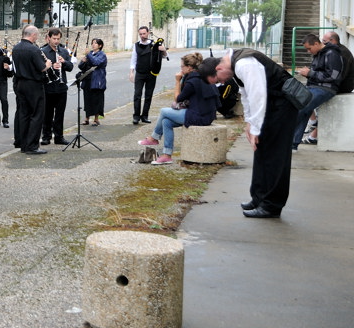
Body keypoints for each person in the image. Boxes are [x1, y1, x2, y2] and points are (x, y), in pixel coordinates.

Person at [214, 49, 299, 218]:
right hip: (272, 105)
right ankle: (259, 197)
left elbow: (258, 96)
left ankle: (271, 205)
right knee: (261, 150)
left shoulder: (244, 64)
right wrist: (249, 122)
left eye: (218, 80)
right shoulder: (236, 65)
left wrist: (256, 128)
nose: (221, 83)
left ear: (219, 68)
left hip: (283, 105)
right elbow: (246, 95)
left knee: (276, 155)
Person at [138, 54, 219, 164]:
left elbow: (178, 99)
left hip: (198, 116)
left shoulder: (193, 81)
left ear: (189, 67)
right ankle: (167, 155)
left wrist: (177, 81)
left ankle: (154, 138)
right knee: (166, 122)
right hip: (205, 115)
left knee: (163, 112)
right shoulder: (200, 76)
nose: (180, 69)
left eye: (182, 67)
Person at [292, 33, 344, 150]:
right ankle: (292, 144)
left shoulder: (332, 54)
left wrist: (310, 73)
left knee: (302, 106)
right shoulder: (318, 54)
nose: (308, 52)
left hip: (326, 88)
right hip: (314, 87)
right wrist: (308, 74)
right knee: (299, 105)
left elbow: (333, 76)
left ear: (316, 43)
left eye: (309, 49)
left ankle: (285, 137)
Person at [12, 25, 52, 154]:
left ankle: (24, 144)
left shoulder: (16, 48)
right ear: (33, 35)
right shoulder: (34, 49)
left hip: (20, 83)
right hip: (33, 84)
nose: (37, 37)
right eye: (37, 35)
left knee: (24, 114)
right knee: (36, 115)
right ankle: (32, 145)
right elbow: (41, 67)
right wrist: (48, 64)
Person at [40, 27, 73, 146]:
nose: (56, 41)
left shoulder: (63, 51)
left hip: (61, 87)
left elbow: (70, 67)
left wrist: (64, 62)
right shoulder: (43, 51)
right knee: (47, 113)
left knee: (60, 113)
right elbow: (40, 69)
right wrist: (51, 66)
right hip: (48, 88)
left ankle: (59, 137)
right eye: (54, 38)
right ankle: (46, 136)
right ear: (48, 38)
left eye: (58, 39)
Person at [129, 26, 167, 124]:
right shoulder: (136, 45)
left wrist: (163, 50)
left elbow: (164, 56)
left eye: (144, 34)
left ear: (148, 33)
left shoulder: (154, 44)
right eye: (140, 34)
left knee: (148, 95)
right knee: (137, 94)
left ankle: (145, 116)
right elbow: (134, 59)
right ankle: (136, 116)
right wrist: (131, 72)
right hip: (140, 73)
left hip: (151, 73)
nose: (142, 36)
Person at [79, 38, 107, 126]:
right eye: (92, 43)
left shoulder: (102, 55)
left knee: (96, 100)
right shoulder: (90, 54)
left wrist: (88, 56)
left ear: (100, 45)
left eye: (95, 43)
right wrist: (83, 61)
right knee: (87, 100)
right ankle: (87, 118)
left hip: (97, 81)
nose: (93, 45)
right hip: (87, 80)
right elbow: (81, 66)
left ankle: (96, 119)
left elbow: (96, 63)